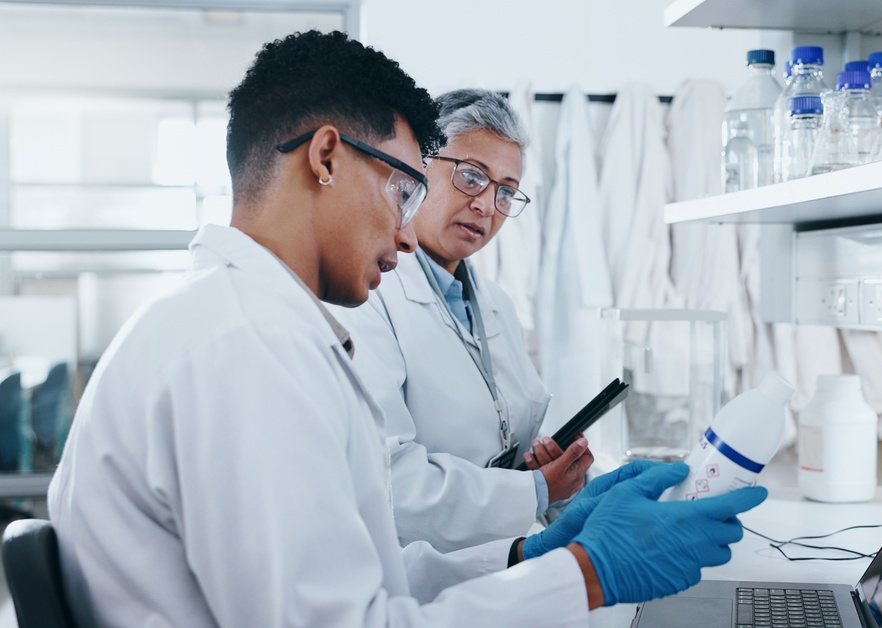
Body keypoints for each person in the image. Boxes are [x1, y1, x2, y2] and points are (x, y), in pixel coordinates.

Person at [47, 30, 766, 627]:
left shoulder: (250, 325)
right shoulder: (245, 347)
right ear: (325, 157)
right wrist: (587, 573)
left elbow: (372, 574)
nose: (404, 227)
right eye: (402, 188)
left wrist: (533, 555)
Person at [333, 88, 589, 552]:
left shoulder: (497, 305)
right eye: (472, 177)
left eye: (506, 192)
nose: (487, 206)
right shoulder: (367, 296)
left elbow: (512, 443)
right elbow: (390, 479)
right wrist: (531, 492)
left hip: (505, 561)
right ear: (418, 165)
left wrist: (552, 473)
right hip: (415, 585)